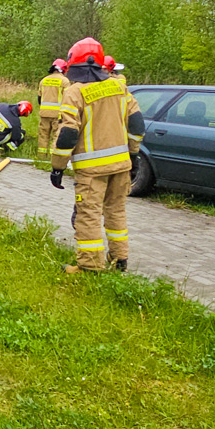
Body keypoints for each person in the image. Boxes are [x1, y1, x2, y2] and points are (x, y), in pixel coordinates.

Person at [50, 37, 144, 274]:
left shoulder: (75, 92)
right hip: (121, 166)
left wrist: (57, 167)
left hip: (92, 172)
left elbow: (68, 134)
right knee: (116, 212)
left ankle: (90, 267)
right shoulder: (119, 88)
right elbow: (137, 125)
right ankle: (119, 260)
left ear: (75, 64)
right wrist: (133, 156)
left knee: (89, 216)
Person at [37, 59, 70, 159]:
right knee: (56, 136)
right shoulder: (64, 81)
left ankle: (41, 157)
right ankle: (52, 158)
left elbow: (39, 97)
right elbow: (68, 98)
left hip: (44, 113)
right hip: (58, 114)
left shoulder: (44, 80)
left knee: (43, 135)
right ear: (64, 69)